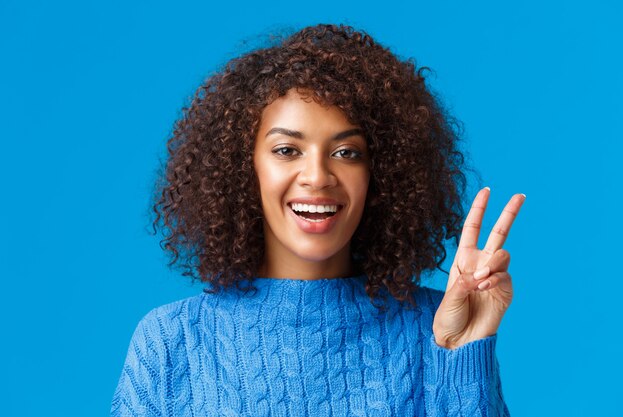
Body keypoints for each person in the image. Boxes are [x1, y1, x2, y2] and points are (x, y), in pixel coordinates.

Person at [110, 23, 525, 416]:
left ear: (379, 174)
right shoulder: (172, 342)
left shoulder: (436, 327)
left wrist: (464, 352)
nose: (317, 177)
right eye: (287, 150)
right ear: (243, 166)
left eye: (346, 153)